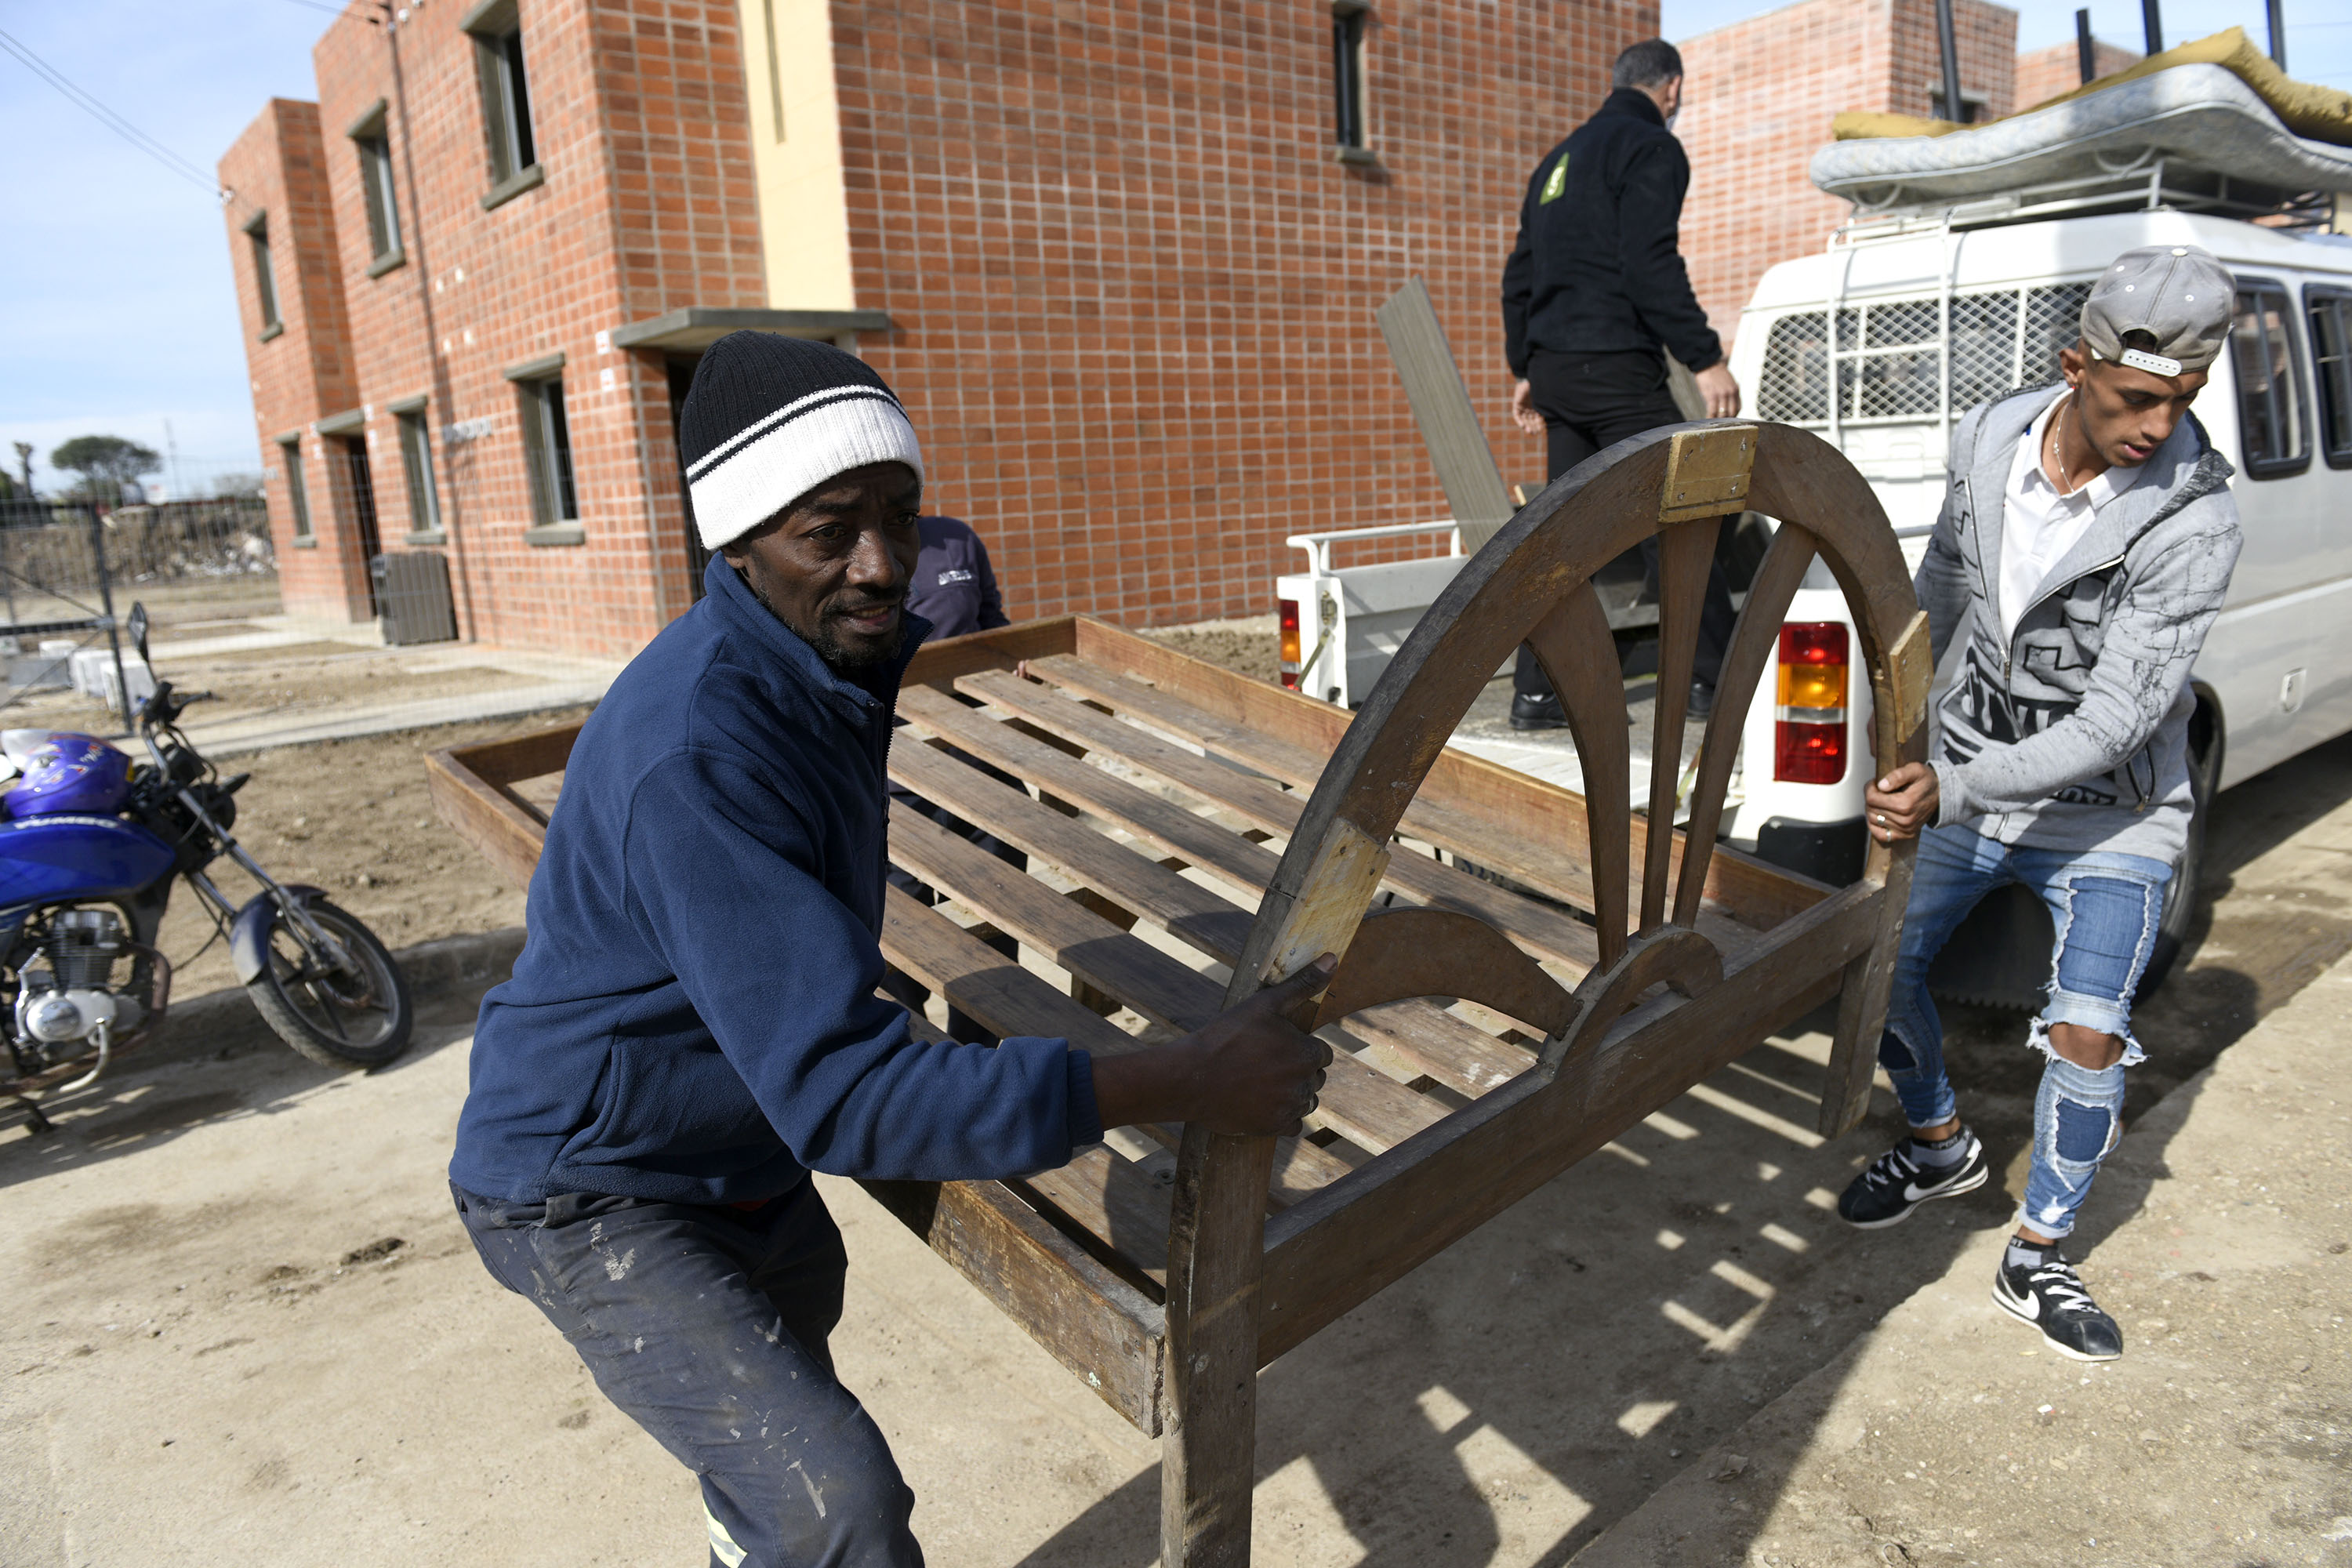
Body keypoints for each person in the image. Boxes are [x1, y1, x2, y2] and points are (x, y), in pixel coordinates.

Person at [447, 332, 1335, 1566]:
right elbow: (846, 1096)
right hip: (589, 1180)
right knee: (835, 1501)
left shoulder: (812, 662)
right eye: (829, 530)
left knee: (790, 1346)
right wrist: (1182, 1079)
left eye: (901, 516)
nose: (883, 565)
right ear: (740, 538)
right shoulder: (703, 748)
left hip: (725, 1132)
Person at [1845, 246, 2241, 1364]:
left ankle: (2041, 1252)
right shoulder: (1986, 443)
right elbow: (1941, 585)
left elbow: (2119, 722)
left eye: (2182, 404)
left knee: (2087, 1031)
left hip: (2111, 812)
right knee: (1874, 967)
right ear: (2077, 366)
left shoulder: (2195, 523)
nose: (2158, 428)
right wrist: (1904, 728)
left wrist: (1951, 785)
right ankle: (1936, 1145)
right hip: (1970, 768)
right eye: (2136, 400)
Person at [1501, 37, 1742, 731]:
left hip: (1557, 372)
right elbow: (1648, 261)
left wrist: (1526, 366)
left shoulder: (1557, 161)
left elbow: (1520, 276)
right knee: (1679, 524)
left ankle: (1538, 695)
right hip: (1614, 368)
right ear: (1672, 90)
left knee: (1564, 539)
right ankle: (1711, 687)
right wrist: (1703, 356)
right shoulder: (1652, 148)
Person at [885, 513, 1020, 1043]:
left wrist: (1012, 655)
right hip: (895, 774)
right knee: (900, 937)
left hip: (975, 760)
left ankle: (981, 1052)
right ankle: (912, 1060)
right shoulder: (849, 555)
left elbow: (991, 622)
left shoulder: (956, 539)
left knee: (998, 912)